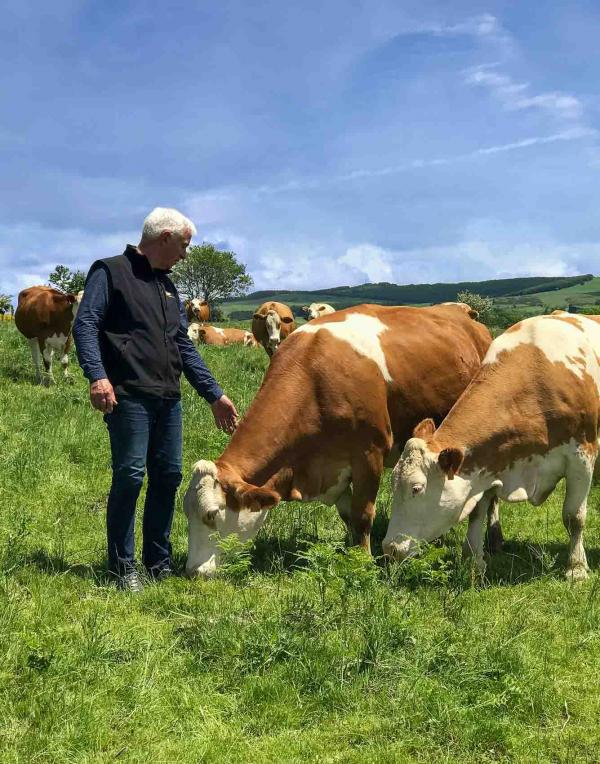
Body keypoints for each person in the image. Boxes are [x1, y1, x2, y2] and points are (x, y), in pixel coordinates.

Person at [73, 207, 238, 592]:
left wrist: (215, 394)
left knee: (167, 477)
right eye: (183, 245)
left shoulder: (168, 287)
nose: (184, 255)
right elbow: (86, 324)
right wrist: (98, 376)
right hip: (128, 395)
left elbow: (183, 345)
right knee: (130, 476)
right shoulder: (110, 271)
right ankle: (122, 565)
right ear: (164, 237)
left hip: (168, 398)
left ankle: (158, 562)